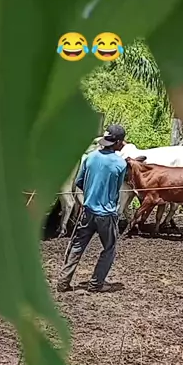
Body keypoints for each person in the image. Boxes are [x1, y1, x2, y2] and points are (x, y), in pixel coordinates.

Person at [57, 124, 127, 293]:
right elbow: (117, 189)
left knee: (77, 245)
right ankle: (96, 284)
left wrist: (91, 194)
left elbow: (79, 182)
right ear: (117, 142)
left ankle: (63, 282)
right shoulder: (120, 164)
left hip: (88, 211)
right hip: (106, 215)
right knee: (109, 249)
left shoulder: (90, 157)